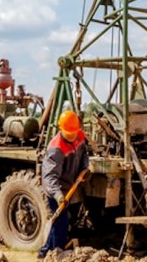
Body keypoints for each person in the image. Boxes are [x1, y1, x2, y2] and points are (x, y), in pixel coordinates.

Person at [38, 109, 90, 258]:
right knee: (60, 221)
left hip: (70, 187)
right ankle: (55, 252)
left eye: (74, 132)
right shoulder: (56, 148)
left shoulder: (79, 135)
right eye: (69, 133)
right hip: (56, 189)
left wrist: (85, 168)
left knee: (65, 220)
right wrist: (59, 196)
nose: (72, 136)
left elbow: (84, 153)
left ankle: (47, 251)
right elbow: (49, 177)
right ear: (61, 129)